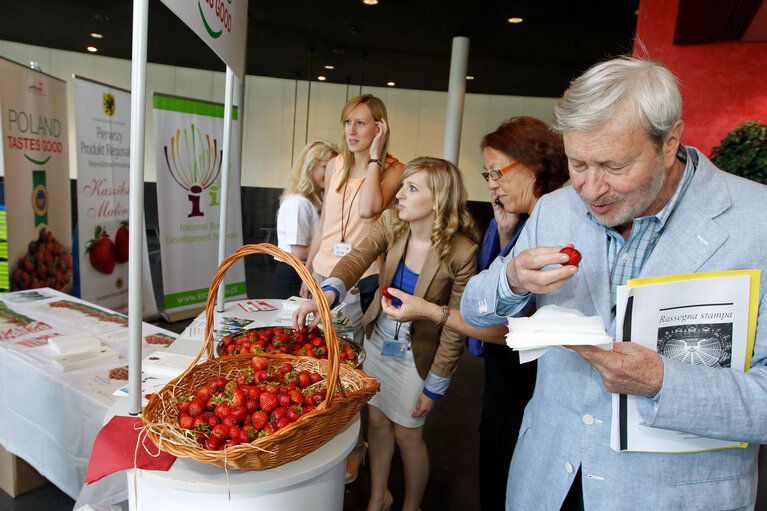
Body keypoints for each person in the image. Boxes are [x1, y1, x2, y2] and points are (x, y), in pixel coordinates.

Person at [460, 56, 767, 510]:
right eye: (577, 162)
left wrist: (664, 381)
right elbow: (472, 309)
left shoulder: (756, 223)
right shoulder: (555, 209)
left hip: (669, 495)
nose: (589, 188)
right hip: (547, 478)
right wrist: (510, 279)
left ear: (670, 142)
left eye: (613, 165)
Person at [381, 116, 570, 510]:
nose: (491, 183)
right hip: (504, 376)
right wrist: (503, 234)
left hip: (528, 379)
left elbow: (505, 327)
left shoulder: (552, 223)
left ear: (534, 166)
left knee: (507, 471)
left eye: (497, 172)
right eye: (487, 174)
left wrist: (429, 311)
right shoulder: (518, 223)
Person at [294, 157, 479, 511]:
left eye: (412, 188)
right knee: (377, 420)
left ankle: (412, 504)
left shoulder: (462, 251)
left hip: (420, 348)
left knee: (409, 433)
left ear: (438, 199)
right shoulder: (393, 223)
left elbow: (456, 326)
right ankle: (379, 497)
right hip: (380, 336)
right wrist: (328, 295)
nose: (399, 194)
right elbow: (357, 258)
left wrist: (436, 383)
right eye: (403, 185)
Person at [301, 94, 405, 317]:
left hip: (360, 277)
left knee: (348, 345)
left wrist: (375, 157)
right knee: (316, 342)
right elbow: (323, 226)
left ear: (379, 128)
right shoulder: (334, 165)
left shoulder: (393, 169)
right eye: (348, 122)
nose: (351, 131)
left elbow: (367, 210)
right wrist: (307, 272)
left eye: (360, 123)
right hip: (321, 271)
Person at [273, 139, 338, 298]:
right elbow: (299, 252)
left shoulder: (314, 199)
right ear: (310, 167)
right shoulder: (299, 202)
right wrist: (330, 248)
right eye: (326, 167)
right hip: (294, 274)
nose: (332, 173)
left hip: (303, 271)